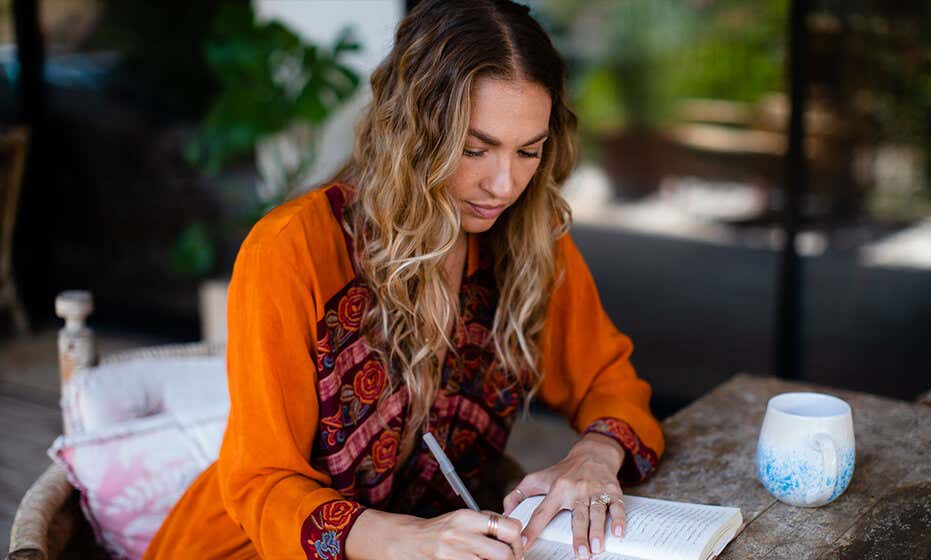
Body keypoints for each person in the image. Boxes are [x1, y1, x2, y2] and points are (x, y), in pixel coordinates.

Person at [144, 1, 664, 559]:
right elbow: (262, 483)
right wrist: (408, 539)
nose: (503, 184)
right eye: (474, 149)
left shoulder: (528, 241)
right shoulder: (292, 251)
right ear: (411, 131)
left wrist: (594, 455)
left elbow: (608, 382)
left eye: (528, 151)